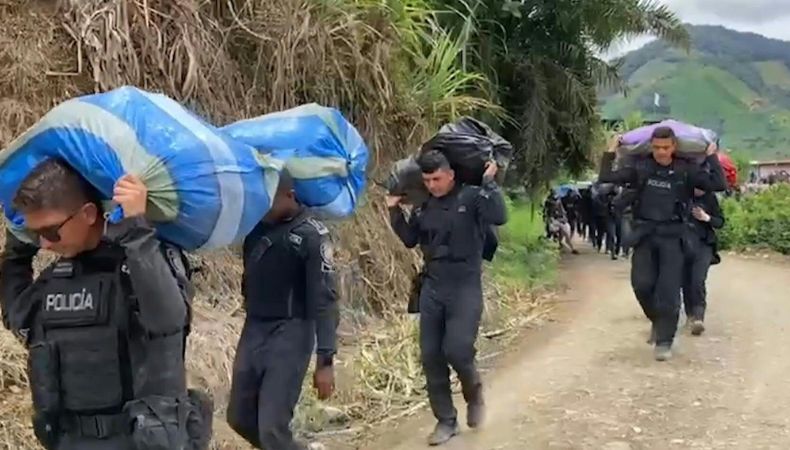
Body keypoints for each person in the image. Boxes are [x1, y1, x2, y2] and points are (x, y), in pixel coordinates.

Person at [0, 159, 211, 450]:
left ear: (87, 213)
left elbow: (168, 322)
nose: (45, 244)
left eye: (51, 231)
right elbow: (19, 319)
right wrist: (16, 251)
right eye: (37, 234)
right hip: (71, 440)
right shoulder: (56, 278)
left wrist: (137, 228)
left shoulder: (141, 261)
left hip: (139, 441)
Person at [387, 151, 507, 446]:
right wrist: (393, 211)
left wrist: (490, 183)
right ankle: (446, 420)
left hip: (465, 286)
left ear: (451, 174)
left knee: (457, 349)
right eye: (426, 180)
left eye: (437, 179)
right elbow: (409, 239)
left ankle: (474, 392)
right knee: (431, 356)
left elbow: (499, 216)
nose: (432, 185)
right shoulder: (423, 206)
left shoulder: (472, 197)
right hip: (433, 286)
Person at [227, 171, 338, 450]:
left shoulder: (312, 235)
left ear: (289, 196)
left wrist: (325, 360)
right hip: (255, 329)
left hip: (292, 331)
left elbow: (325, 299)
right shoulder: (256, 229)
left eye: (269, 201)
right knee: (239, 418)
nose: (262, 207)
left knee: (272, 428)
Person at [599, 128, 726, 361]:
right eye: (656, 147)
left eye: (666, 148)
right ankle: (658, 321)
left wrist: (711, 156)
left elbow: (718, 184)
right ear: (651, 147)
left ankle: (665, 341)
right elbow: (606, 178)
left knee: (668, 291)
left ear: (674, 147)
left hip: (674, 237)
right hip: (645, 235)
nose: (661, 152)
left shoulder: (686, 170)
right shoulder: (641, 168)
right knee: (642, 285)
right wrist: (610, 152)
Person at [682, 188, 725, 336]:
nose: (699, 191)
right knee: (685, 280)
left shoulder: (710, 198)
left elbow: (720, 222)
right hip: (682, 244)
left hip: (704, 244)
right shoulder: (681, 194)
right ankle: (690, 315)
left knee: (698, 279)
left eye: (702, 188)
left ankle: (698, 317)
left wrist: (706, 218)